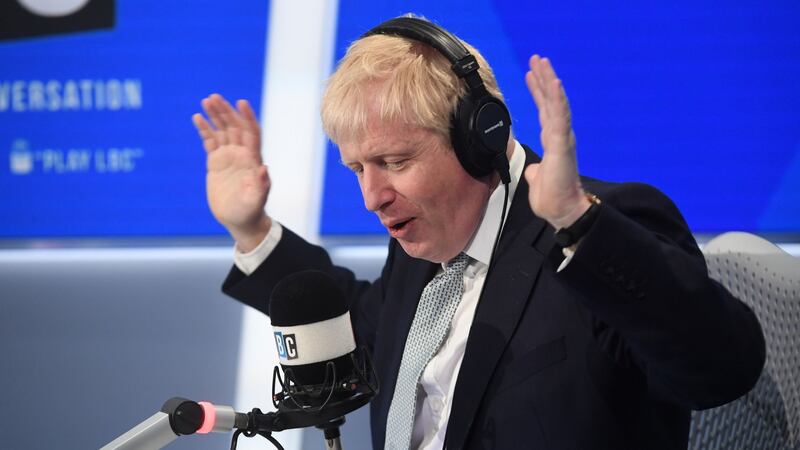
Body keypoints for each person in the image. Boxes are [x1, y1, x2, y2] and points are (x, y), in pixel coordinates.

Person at [192, 16, 765, 450]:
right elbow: (367, 329)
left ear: (479, 138)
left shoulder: (602, 230)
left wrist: (580, 223)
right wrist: (253, 230)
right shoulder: (425, 248)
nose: (372, 197)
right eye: (357, 169)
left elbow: (719, 369)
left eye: (393, 162)